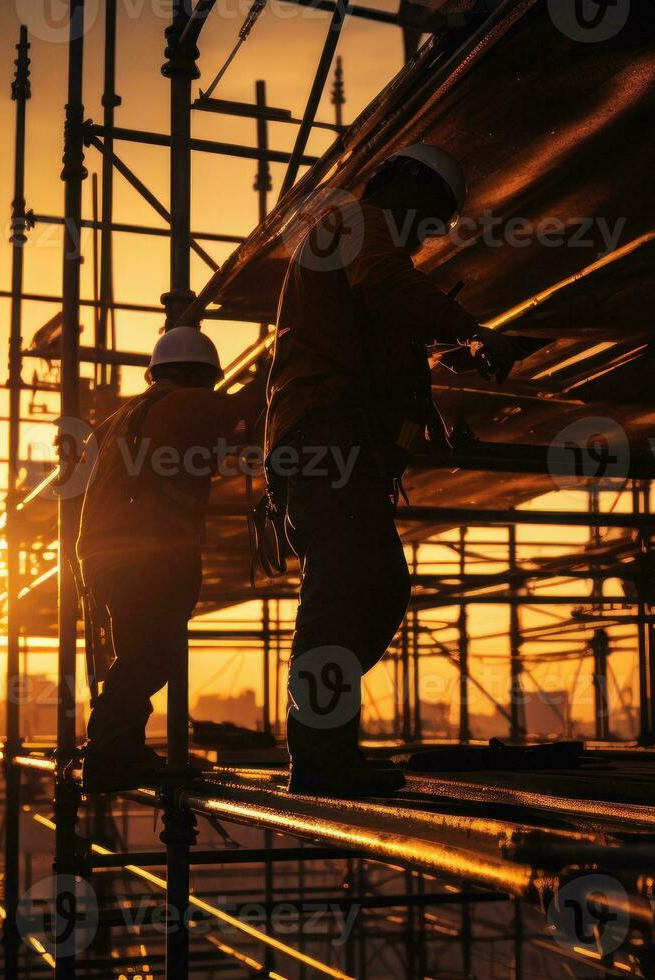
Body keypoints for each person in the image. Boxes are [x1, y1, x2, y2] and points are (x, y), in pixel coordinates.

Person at [266, 144, 516, 798]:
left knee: (375, 588)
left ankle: (324, 732)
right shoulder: (356, 221)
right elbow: (386, 284)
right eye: (429, 216)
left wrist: (446, 352)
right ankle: (320, 755)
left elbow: (378, 329)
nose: (429, 234)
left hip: (340, 440)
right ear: (403, 191)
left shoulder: (359, 253)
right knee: (347, 584)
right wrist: (473, 327)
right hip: (326, 434)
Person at [77, 326, 254, 793]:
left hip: (113, 551)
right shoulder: (185, 404)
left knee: (142, 651)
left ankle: (119, 748)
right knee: (153, 654)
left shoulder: (133, 413)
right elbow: (246, 406)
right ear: (204, 376)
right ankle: (110, 752)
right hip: (144, 552)